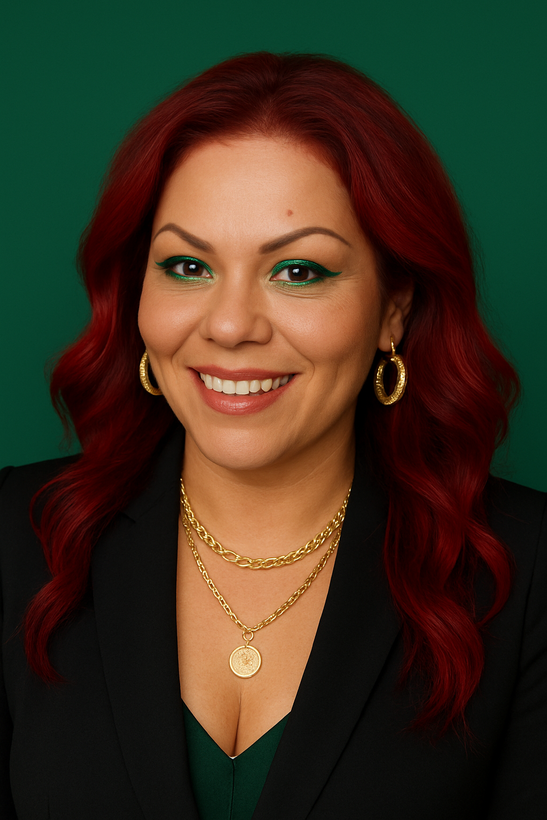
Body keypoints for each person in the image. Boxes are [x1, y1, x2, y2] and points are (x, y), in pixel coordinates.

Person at [0, 52, 545, 820]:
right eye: (187, 265)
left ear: (394, 308)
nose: (227, 325)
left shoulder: (525, 575)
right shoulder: (15, 538)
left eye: (297, 272)